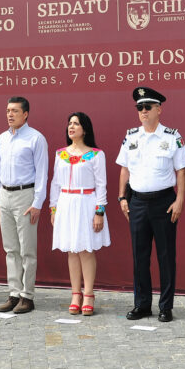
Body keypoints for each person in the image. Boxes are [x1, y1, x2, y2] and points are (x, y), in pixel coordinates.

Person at [116, 87, 185, 323]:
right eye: (139, 107)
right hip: (137, 202)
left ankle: (166, 306)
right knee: (140, 256)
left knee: (166, 256)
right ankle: (142, 305)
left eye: (148, 107)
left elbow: (181, 170)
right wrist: (121, 197)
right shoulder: (131, 137)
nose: (143, 111)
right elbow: (124, 169)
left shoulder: (171, 137)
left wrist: (179, 200)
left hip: (164, 203)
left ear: (159, 109)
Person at [50, 112, 110, 316]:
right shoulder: (60, 154)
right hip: (66, 203)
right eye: (69, 123)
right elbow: (55, 183)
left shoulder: (95, 154)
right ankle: (75, 293)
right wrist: (53, 208)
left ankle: (89, 294)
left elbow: (101, 184)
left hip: (87, 203)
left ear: (85, 129)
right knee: (71, 250)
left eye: (76, 123)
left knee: (86, 249)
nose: (71, 126)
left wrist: (99, 211)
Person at [0, 96, 48, 314]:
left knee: (27, 250)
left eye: (15, 111)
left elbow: (42, 172)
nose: (10, 114)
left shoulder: (35, 138)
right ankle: (14, 293)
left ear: (25, 114)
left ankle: (28, 296)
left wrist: (37, 203)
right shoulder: (1, 138)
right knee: (10, 249)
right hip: (5, 195)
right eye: (8, 110)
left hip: (25, 195)